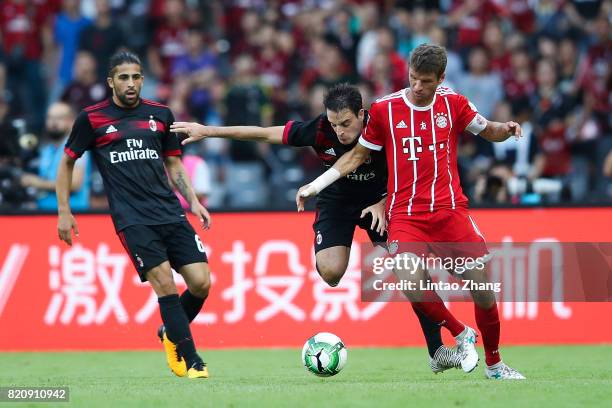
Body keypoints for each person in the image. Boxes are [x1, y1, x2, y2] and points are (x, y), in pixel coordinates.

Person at [171, 83, 464, 374]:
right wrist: (209, 130)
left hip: (382, 203)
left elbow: (416, 168)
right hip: (337, 201)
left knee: (412, 271)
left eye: (346, 123)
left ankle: (437, 351)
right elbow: (264, 133)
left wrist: (386, 201)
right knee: (331, 272)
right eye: (335, 124)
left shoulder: (384, 124)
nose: (340, 132)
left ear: (362, 114)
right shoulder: (320, 129)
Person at [297, 45, 526, 380]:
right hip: (406, 216)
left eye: (425, 81)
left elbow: (486, 129)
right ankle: (461, 333)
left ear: (440, 79)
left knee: (483, 291)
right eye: (413, 78)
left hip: (450, 212)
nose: (417, 86)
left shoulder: (455, 104)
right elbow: (356, 156)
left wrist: (505, 129)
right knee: (410, 280)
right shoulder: (385, 110)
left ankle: (494, 363)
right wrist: (316, 185)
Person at [56, 51, 212, 379]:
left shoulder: (161, 114)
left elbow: (173, 162)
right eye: (123, 77)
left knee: (201, 283)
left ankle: (171, 330)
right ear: (110, 82)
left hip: (170, 212)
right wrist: (64, 211)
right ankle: (192, 359)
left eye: (136, 77)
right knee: (165, 284)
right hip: (132, 219)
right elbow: (67, 161)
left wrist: (194, 201)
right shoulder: (92, 118)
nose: (131, 83)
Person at [21, 101, 90, 210]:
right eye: (50, 118)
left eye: (60, 118)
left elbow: (74, 184)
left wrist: (35, 182)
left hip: (73, 213)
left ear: (72, 121)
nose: (53, 122)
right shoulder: (46, 150)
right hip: (43, 213)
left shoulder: (78, 147)